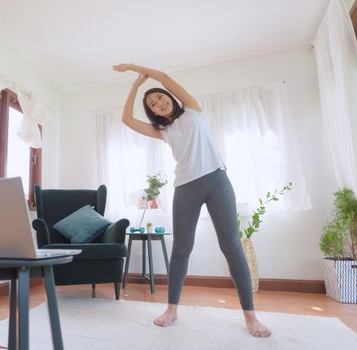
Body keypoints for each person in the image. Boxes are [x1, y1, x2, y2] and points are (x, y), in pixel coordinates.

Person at [113, 63, 271, 338]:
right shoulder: (162, 131)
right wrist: (134, 86)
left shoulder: (193, 108)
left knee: (231, 246)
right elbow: (126, 119)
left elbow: (163, 78)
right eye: (152, 104)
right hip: (185, 188)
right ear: (152, 112)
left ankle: (250, 315)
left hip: (217, 181)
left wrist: (138, 70)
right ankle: (172, 309)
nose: (159, 102)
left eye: (160, 97)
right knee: (182, 249)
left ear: (169, 98)